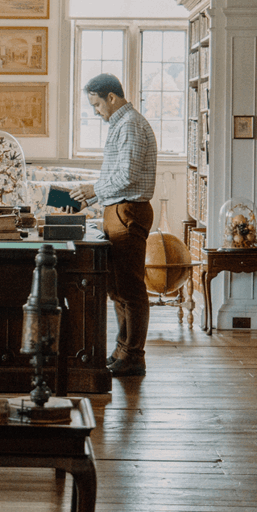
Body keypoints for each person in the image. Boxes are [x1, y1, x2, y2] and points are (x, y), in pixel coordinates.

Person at [70, 73, 157, 377]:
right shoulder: (121, 124)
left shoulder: (130, 124)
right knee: (117, 289)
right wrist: (90, 199)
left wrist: (94, 191)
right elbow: (118, 176)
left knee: (131, 289)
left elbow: (128, 176)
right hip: (118, 210)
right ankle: (123, 351)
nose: (96, 111)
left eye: (96, 104)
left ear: (111, 98)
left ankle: (134, 355)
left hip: (128, 212)